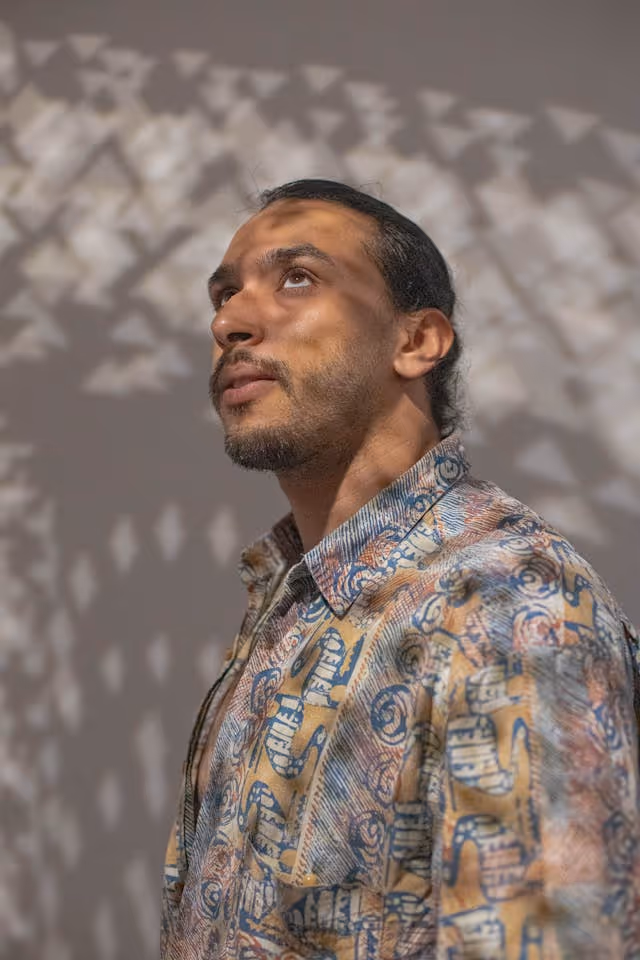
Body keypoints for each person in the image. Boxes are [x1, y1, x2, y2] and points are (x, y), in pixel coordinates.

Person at [161, 179, 640, 959]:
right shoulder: (295, 597)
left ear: (416, 342)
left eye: (297, 278)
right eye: (225, 294)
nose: (229, 322)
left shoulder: (505, 605)